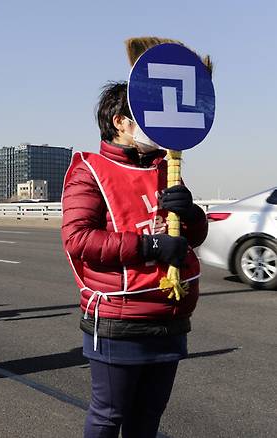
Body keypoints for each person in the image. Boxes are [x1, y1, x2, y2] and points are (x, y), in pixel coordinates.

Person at [61, 81, 208, 438]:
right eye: (145, 116)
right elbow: (78, 239)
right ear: (119, 121)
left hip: (171, 315)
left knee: (149, 417)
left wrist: (190, 212)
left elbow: (194, 236)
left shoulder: (165, 167)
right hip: (119, 317)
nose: (154, 125)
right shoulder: (88, 170)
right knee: (109, 416)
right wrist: (150, 247)